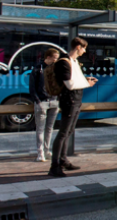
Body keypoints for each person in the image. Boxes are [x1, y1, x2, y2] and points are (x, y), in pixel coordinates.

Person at [48, 37, 97, 177]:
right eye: (83, 48)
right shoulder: (64, 63)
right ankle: (54, 166)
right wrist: (88, 84)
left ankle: (63, 160)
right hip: (69, 101)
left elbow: (76, 80)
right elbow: (69, 85)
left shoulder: (75, 62)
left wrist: (86, 80)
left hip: (76, 100)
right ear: (77, 47)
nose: (84, 51)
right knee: (63, 133)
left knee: (68, 132)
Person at [29, 47, 61, 162]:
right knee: (41, 129)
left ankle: (47, 150)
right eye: (55, 58)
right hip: (42, 102)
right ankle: (40, 152)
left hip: (54, 101)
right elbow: (32, 87)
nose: (56, 61)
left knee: (49, 128)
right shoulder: (38, 69)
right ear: (48, 57)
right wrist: (38, 101)